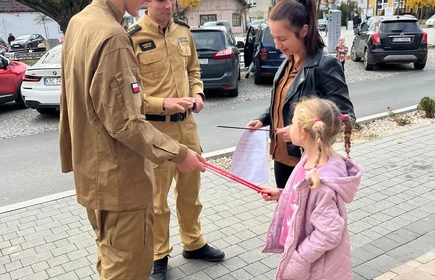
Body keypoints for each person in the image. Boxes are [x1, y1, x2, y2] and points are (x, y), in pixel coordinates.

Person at [59, 0, 206, 279]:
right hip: (120, 175)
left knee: (111, 256)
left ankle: (194, 240)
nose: (147, 0)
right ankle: (161, 254)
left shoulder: (81, 22)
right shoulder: (115, 36)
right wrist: (178, 153)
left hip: (97, 171)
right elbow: (125, 121)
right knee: (128, 267)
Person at [128, 0, 225, 279]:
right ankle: (159, 255)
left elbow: (194, 71)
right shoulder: (132, 38)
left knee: (190, 192)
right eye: (162, 0)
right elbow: (129, 95)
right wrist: (163, 103)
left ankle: (193, 243)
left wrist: (198, 94)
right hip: (157, 131)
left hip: (188, 126)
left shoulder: (183, 31)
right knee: (157, 200)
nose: (169, 5)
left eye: (173, 0)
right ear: (147, 2)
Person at [246, 0, 354, 189]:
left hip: (308, 161)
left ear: (303, 31)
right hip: (282, 157)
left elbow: (344, 115)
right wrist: (263, 119)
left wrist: (300, 129)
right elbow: (282, 101)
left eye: (283, 39)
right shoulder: (288, 62)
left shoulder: (325, 65)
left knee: (305, 215)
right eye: (274, 38)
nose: (278, 45)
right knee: (288, 214)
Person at [261, 97, 361, 280]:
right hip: (302, 252)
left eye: (292, 123)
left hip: (314, 267)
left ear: (304, 133)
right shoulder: (310, 158)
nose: (289, 128)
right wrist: (283, 194)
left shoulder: (321, 183)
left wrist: (298, 259)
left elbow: (330, 232)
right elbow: (307, 199)